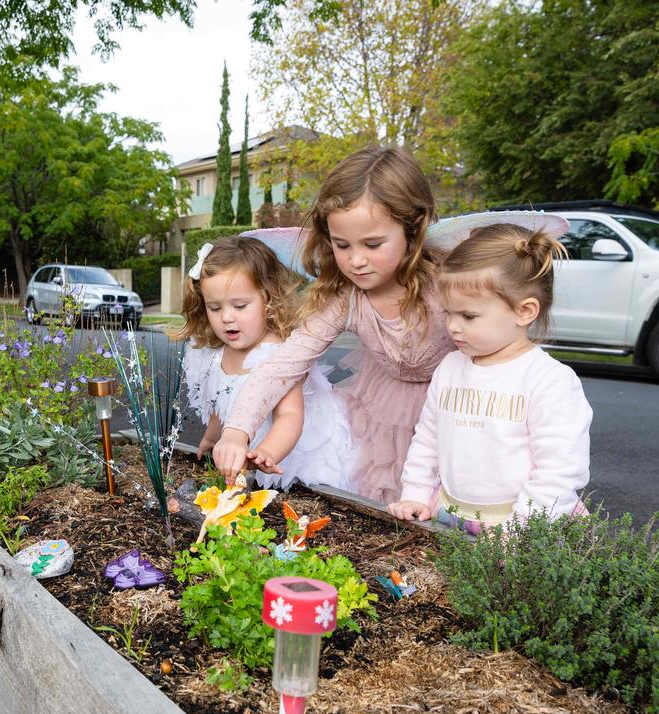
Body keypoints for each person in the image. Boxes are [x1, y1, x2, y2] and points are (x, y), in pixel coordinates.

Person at [212, 146, 456, 501]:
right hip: (386, 412)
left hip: (452, 405)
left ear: (413, 228)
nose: (356, 260)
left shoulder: (447, 283)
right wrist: (237, 429)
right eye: (342, 245)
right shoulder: (347, 296)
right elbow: (283, 364)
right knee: (395, 502)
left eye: (373, 244)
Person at [388, 224, 593, 533]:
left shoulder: (548, 380)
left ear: (524, 312)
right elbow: (428, 439)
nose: (453, 327)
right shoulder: (450, 367)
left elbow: (559, 469)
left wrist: (523, 528)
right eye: (448, 313)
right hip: (451, 511)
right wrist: (415, 494)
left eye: (468, 316)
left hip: (518, 526)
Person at [174, 235, 354, 490]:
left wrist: (268, 451)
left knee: (299, 492)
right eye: (214, 308)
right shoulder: (215, 354)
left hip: (292, 450)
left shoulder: (278, 356)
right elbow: (220, 403)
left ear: (268, 299)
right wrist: (213, 438)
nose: (226, 317)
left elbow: (290, 416)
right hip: (246, 444)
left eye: (240, 305)